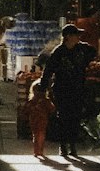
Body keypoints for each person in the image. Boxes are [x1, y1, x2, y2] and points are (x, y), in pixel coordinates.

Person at [40, 23, 95, 159]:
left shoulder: (82, 49)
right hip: (62, 89)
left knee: (75, 117)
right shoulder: (58, 52)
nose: (78, 38)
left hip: (78, 89)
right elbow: (48, 70)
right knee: (63, 117)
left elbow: (93, 52)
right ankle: (63, 145)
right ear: (68, 37)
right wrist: (42, 87)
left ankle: (73, 145)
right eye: (76, 35)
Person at [26, 77, 55, 161]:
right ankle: (40, 150)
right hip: (43, 119)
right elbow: (52, 108)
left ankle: (36, 151)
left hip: (34, 118)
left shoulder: (32, 100)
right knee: (41, 134)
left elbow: (26, 109)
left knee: (35, 134)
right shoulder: (45, 100)